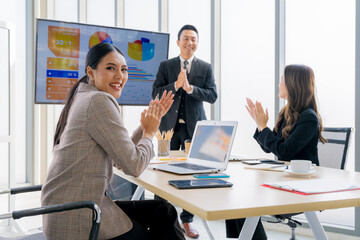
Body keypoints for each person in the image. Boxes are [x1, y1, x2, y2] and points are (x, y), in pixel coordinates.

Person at [41, 42, 186, 240]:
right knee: (155, 229)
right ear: (91, 72)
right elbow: (133, 165)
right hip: (80, 215)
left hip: (67, 209)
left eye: (124, 70)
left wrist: (147, 127)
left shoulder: (83, 96)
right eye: (111, 68)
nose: (120, 76)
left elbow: (119, 154)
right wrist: (150, 133)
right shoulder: (99, 101)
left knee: (163, 211)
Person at [225, 64, 326, 239]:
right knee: (235, 197)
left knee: (242, 200)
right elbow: (269, 147)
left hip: (300, 185)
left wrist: (263, 127)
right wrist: (260, 126)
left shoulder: (309, 117)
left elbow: (284, 151)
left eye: (282, 80)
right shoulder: (287, 112)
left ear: (293, 84)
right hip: (284, 179)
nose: (279, 84)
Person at [152, 24, 218, 238]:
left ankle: (187, 220)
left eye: (194, 39)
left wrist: (191, 88)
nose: (190, 43)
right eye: (187, 39)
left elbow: (212, 95)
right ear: (179, 42)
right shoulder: (166, 65)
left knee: (192, 173)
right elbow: (155, 93)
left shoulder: (205, 67)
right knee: (162, 172)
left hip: (195, 129)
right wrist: (176, 85)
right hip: (167, 129)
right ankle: (159, 219)